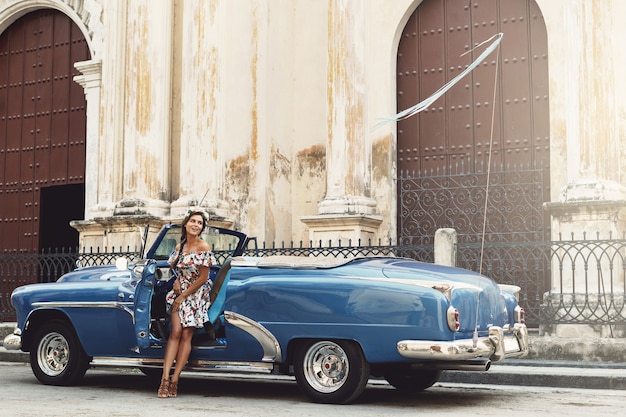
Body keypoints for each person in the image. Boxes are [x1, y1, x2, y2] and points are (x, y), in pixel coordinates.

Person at [157, 210, 215, 398]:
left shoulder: (203, 246)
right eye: (193, 221)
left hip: (197, 294)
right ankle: (164, 380)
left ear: (202, 228)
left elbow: (203, 278)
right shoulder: (180, 246)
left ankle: (175, 381)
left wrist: (183, 296)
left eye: (199, 223)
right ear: (186, 224)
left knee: (186, 334)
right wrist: (176, 283)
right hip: (179, 291)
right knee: (175, 332)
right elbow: (174, 268)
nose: (196, 225)